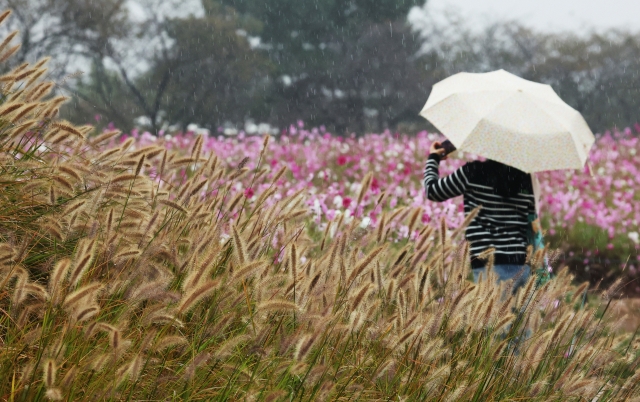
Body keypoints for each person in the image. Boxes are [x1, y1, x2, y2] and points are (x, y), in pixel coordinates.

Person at [423, 140, 536, 292]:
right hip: (521, 266)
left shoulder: (473, 172)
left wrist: (433, 159)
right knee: (519, 317)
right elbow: (530, 218)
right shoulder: (526, 180)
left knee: (493, 316)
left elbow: (432, 191)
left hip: (488, 269)